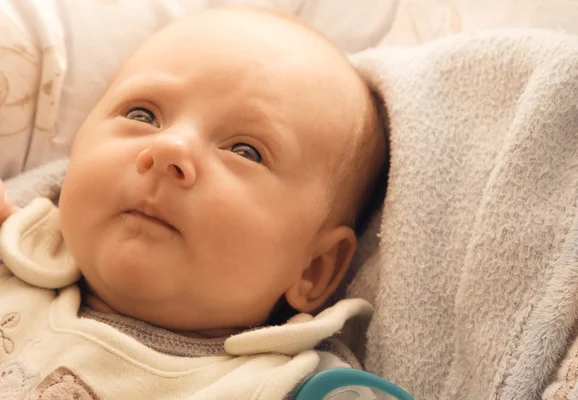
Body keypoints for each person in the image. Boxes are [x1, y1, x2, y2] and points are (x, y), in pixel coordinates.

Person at [0, 7, 387, 399]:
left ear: (314, 269)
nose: (169, 148)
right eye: (143, 114)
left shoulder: (297, 386)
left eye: (245, 151)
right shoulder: (13, 261)